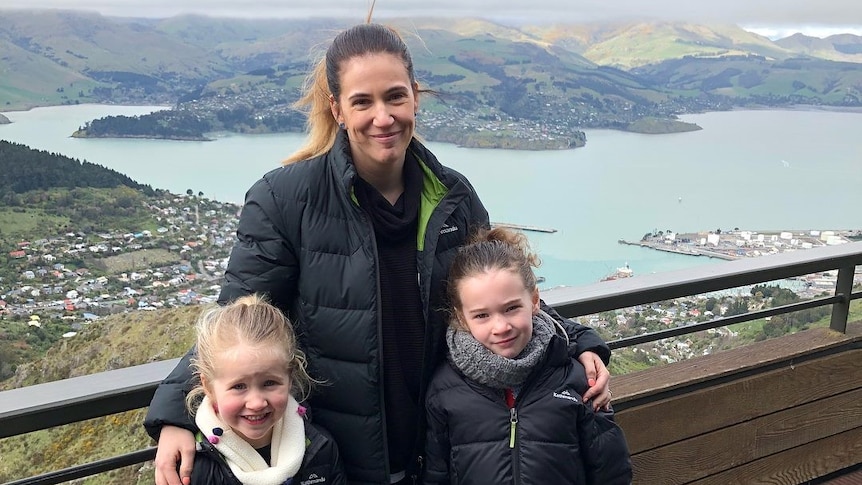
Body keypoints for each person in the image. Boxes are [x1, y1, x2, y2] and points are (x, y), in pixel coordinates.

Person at [144, 22, 613, 485]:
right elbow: (236, 321)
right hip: (338, 457)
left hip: (442, 447)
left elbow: (504, 291)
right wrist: (176, 416)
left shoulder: (452, 195)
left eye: (394, 96)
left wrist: (578, 343)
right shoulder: (285, 200)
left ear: (414, 95)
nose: (383, 117)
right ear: (338, 109)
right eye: (362, 101)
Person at [423, 227, 632, 485]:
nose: (500, 327)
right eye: (481, 315)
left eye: (511, 308)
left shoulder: (574, 378)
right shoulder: (445, 390)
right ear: (461, 317)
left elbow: (610, 470)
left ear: (534, 301)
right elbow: (436, 474)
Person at [182, 294, 345, 485]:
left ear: (289, 378)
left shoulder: (320, 448)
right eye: (239, 386)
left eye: (269, 383)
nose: (257, 403)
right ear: (209, 387)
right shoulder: (196, 467)